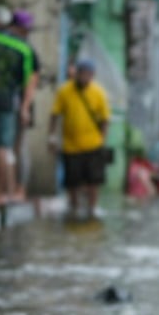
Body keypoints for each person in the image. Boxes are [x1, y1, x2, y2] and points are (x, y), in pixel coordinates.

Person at [48, 58, 111, 220]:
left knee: (93, 180)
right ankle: (74, 207)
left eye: (88, 74)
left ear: (92, 75)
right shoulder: (64, 91)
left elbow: (105, 119)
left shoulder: (98, 93)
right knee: (72, 181)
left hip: (93, 144)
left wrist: (102, 140)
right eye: (82, 73)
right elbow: (54, 114)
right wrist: (52, 136)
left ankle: (92, 208)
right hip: (71, 145)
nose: (84, 77)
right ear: (76, 74)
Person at [0, 4, 31, 206]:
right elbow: (26, 80)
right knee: (3, 148)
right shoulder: (21, 48)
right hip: (6, 102)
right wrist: (24, 107)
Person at [8, 10, 39, 200]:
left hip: (19, 105)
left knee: (19, 147)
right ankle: (9, 187)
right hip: (4, 103)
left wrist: (25, 107)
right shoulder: (9, 46)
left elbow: (32, 80)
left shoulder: (27, 50)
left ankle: (20, 188)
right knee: (4, 148)